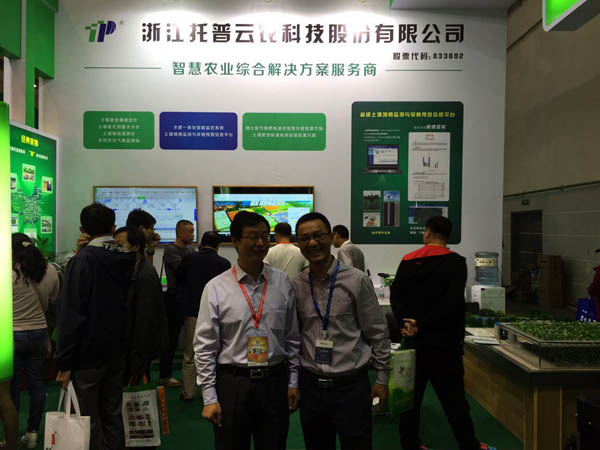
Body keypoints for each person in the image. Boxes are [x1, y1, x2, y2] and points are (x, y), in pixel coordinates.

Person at [194, 211, 300, 450]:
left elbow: (293, 337)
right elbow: (205, 346)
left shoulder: (282, 282)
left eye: (264, 236)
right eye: (253, 237)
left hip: (274, 382)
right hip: (233, 383)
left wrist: (293, 382)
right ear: (235, 241)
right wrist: (209, 397)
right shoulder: (216, 287)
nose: (260, 243)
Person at [390, 216, 496, 450]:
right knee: (454, 400)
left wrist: (405, 322)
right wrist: (422, 322)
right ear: (448, 236)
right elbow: (452, 303)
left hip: (413, 342)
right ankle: (469, 445)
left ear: (427, 232)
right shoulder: (456, 262)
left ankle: (410, 444)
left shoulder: (408, 260)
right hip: (445, 345)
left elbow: (396, 295)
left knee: (410, 398)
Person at [292, 212, 391, 450]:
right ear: (299, 244)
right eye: (305, 238)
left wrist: (382, 378)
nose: (312, 243)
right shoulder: (296, 285)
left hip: (351, 387)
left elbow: (377, 332)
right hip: (311, 387)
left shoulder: (356, 280)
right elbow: (294, 337)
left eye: (318, 235)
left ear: (331, 237)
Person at [55, 202, 136, 450]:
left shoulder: (84, 260)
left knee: (86, 419)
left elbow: (71, 313)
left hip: (87, 354)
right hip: (118, 350)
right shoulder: (128, 257)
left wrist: (64, 362)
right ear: (113, 228)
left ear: (83, 229)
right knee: (113, 414)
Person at [9, 233, 59, 449]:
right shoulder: (50, 270)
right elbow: (53, 300)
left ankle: (11, 436)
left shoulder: (8, 273)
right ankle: (32, 433)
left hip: (12, 336)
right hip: (39, 333)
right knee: (37, 384)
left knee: (11, 388)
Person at [177, 231, 231, 401]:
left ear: (202, 242)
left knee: (190, 354)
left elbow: (179, 281)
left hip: (192, 312)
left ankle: (188, 392)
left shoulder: (188, 259)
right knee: (213, 353)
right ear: (218, 246)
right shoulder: (223, 263)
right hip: (217, 314)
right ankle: (207, 392)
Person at [113, 227, 167, 384]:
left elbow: (145, 319)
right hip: (129, 349)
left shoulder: (144, 275)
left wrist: (138, 360)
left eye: (120, 244)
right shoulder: (131, 269)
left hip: (136, 352)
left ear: (136, 246)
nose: (115, 249)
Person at [159, 219, 196, 387]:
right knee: (171, 340)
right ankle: (164, 375)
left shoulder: (191, 249)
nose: (193, 235)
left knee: (192, 341)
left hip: (188, 299)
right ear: (180, 233)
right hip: (174, 300)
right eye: (190, 231)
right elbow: (182, 271)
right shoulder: (171, 250)